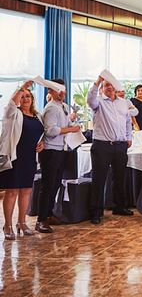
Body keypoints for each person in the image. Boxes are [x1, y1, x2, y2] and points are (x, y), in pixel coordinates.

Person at [87, 74, 134, 224]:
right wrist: (98, 80)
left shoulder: (123, 103)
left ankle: (119, 206)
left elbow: (128, 122)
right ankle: (96, 211)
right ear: (102, 88)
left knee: (120, 177)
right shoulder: (98, 102)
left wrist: (128, 137)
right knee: (99, 179)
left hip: (120, 145)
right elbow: (90, 98)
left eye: (111, 85)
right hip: (102, 145)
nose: (110, 87)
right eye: (106, 85)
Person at [0, 81, 44, 239]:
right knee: (11, 192)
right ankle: (7, 225)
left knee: (26, 191)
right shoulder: (13, 112)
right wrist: (23, 86)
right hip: (15, 157)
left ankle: (22, 222)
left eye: (28, 96)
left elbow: (40, 134)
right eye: (23, 96)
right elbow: (12, 102)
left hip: (30, 158)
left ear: (32, 99)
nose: (25, 99)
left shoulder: (37, 116)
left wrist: (42, 143)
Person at [36, 79, 81, 233]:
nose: (62, 92)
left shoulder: (62, 107)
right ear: (50, 91)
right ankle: (41, 220)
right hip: (50, 151)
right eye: (59, 89)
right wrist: (71, 129)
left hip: (60, 149)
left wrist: (72, 125)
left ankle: (48, 214)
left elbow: (63, 125)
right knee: (48, 186)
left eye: (64, 89)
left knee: (55, 184)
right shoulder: (51, 108)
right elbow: (51, 131)